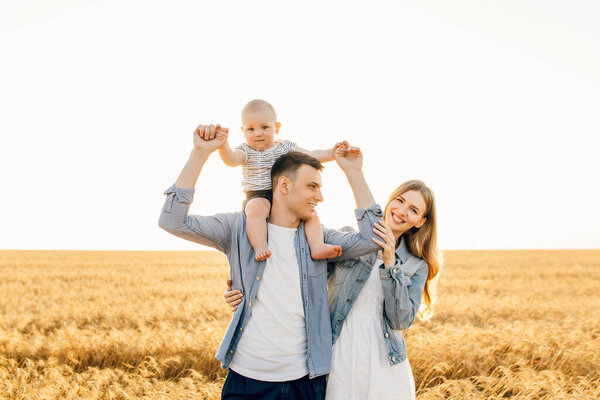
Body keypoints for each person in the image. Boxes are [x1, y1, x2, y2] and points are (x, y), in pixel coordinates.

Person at [158, 125, 382, 400]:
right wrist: (199, 153)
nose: (320, 196)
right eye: (312, 186)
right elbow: (172, 221)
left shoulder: (318, 239)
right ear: (284, 185)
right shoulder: (238, 229)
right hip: (246, 382)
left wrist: (354, 173)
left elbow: (373, 239)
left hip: (306, 383)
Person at [225, 146, 442, 399]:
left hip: (384, 361)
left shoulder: (417, 264)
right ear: (390, 200)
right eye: (400, 200)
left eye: (414, 210)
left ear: (421, 222)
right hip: (338, 351)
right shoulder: (350, 238)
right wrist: (241, 289)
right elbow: (299, 277)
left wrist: (390, 262)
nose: (402, 211)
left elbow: (401, 320)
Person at [199, 99, 341, 261]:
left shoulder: (284, 147)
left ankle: (317, 246)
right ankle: (260, 246)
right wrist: (223, 145)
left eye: (264, 127)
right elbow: (231, 160)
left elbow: (310, 155)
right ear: (243, 131)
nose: (257, 133)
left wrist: (332, 154)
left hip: (283, 194)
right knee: (256, 211)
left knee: (310, 214)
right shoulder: (246, 150)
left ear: (277, 127)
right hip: (257, 194)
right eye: (251, 129)